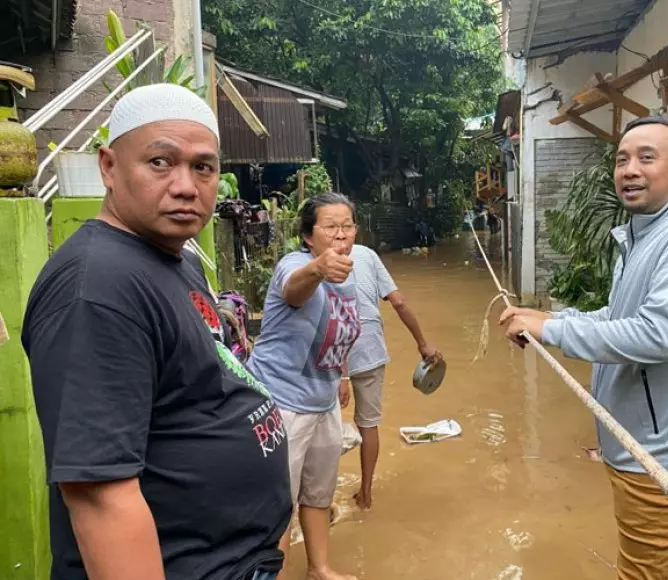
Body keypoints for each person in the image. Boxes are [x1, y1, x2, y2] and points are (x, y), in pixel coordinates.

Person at [22, 84, 291, 580]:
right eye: (161, 162)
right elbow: (102, 498)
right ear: (109, 166)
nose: (187, 185)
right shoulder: (98, 288)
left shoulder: (173, 258)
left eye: (203, 167)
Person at [500, 116, 668, 580]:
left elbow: (655, 335)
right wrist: (552, 319)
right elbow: (619, 315)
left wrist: (554, 333)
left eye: (647, 158)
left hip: (660, 453)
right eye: (622, 159)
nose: (629, 169)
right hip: (651, 441)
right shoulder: (644, 233)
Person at [248, 192, 361, 580]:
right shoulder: (295, 264)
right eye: (330, 227)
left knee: (317, 493)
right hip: (281, 402)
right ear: (309, 236)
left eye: (347, 226)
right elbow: (293, 290)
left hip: (323, 400)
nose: (340, 235)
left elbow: (341, 328)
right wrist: (317, 269)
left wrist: (342, 377)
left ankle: (319, 569)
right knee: (279, 502)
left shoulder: (349, 273)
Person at [346, 243, 442, 510]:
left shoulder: (312, 260)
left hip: (330, 354)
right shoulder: (366, 254)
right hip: (369, 350)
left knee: (324, 426)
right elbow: (398, 301)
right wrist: (422, 344)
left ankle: (317, 501)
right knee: (368, 424)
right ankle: (365, 495)